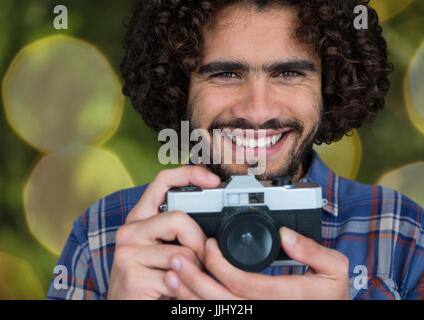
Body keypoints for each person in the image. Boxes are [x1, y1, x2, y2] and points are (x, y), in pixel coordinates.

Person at [47, 0, 424, 300]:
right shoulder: (103, 235)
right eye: (226, 73)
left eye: (288, 73)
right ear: (180, 84)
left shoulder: (401, 232)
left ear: (327, 84)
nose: (257, 111)